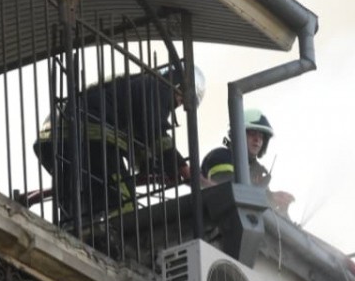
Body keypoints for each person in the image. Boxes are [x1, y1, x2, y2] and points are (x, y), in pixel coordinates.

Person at [35, 63, 201, 228]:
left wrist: (159, 168)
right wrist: (184, 169)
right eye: (182, 99)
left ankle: (82, 237)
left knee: (78, 206)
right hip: (91, 136)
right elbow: (155, 131)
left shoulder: (134, 86)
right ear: (180, 86)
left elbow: (141, 139)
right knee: (125, 204)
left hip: (54, 140)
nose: (179, 104)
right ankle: (118, 242)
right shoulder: (160, 86)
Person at [200, 108, 295, 215]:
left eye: (261, 136)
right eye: (252, 133)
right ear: (237, 133)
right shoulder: (221, 157)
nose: (257, 140)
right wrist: (270, 197)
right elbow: (229, 191)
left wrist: (281, 208)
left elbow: (262, 211)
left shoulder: (256, 170)